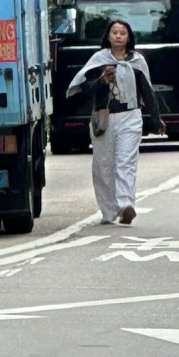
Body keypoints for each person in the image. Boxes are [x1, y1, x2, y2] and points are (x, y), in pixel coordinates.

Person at [66, 19, 165, 225]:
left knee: (125, 162)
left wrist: (156, 119)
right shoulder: (98, 60)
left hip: (130, 116)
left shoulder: (137, 61)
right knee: (103, 166)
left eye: (123, 33)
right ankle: (109, 211)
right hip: (104, 118)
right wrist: (103, 80)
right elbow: (84, 90)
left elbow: (147, 92)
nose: (118, 36)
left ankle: (126, 204)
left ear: (129, 37)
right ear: (108, 36)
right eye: (115, 32)